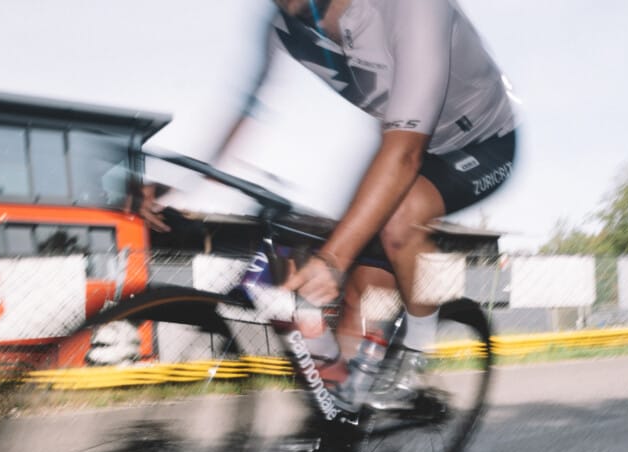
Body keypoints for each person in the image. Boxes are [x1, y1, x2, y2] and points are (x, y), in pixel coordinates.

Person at [143, 0, 518, 409]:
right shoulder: (284, 21)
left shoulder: (413, 8)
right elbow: (248, 111)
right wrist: (179, 185)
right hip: (397, 143)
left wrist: (334, 257)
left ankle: (413, 358)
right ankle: (338, 420)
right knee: (354, 293)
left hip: (480, 142)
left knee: (394, 225)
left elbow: (406, 156)